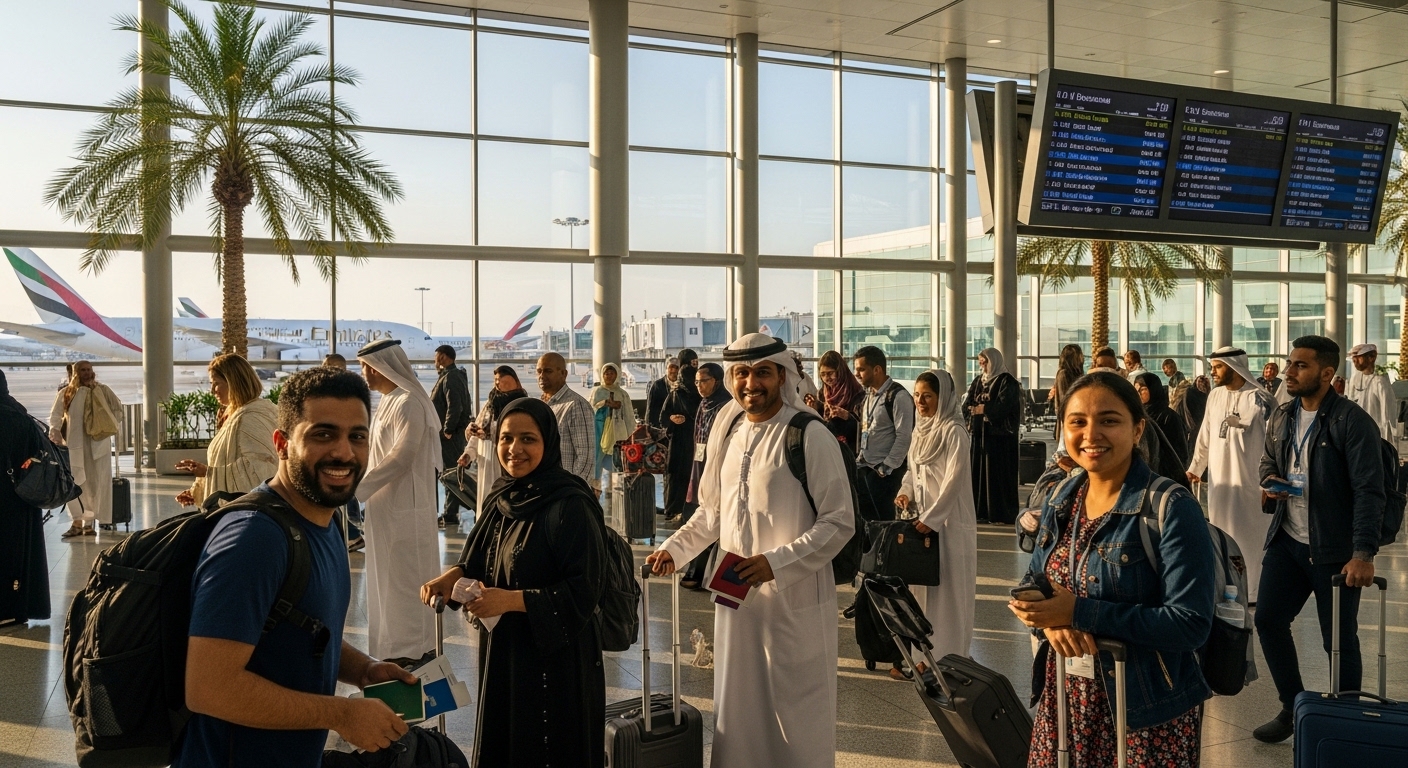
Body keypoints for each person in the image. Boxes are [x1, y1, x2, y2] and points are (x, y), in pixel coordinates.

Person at [175, 366, 418, 767]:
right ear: (281, 444)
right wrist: (340, 714)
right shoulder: (254, 539)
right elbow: (209, 688)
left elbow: (305, 631)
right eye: (323, 434)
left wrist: (365, 670)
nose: (343, 452)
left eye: (357, 436)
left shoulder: (323, 522)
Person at [647, 333, 855, 768]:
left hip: (792, 598)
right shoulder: (732, 430)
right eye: (741, 373)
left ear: (783, 375)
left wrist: (775, 564)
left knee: (795, 713)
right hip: (737, 601)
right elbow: (712, 513)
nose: (750, 383)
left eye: (762, 372)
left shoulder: (808, 433)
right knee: (739, 704)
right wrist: (674, 549)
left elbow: (839, 522)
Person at [1010, 371, 1214, 768]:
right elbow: (1032, 582)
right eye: (1078, 421)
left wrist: (1078, 612)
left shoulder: (1170, 508)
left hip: (1143, 712)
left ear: (1137, 429)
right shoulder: (1060, 498)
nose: (1091, 434)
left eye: (1109, 420)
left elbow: (1190, 624)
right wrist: (1047, 621)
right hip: (1065, 702)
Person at [420, 398, 606, 767]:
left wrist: (510, 601)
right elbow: (480, 558)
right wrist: (452, 576)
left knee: (548, 745)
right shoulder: (501, 495)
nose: (514, 450)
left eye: (528, 439)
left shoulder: (571, 504)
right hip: (506, 649)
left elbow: (585, 591)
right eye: (505, 438)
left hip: (557, 658)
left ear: (548, 443)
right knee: (507, 738)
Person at [1252, 335, 1385, 744]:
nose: (1290, 372)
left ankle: (1344, 720)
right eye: (1290, 364)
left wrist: (1362, 553)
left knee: (1338, 640)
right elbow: (1269, 460)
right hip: (1288, 539)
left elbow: (1369, 490)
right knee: (1268, 620)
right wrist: (1269, 481)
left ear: (1327, 374)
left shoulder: (1351, 421)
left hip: (1334, 549)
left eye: (1301, 366)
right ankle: (1293, 707)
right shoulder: (1283, 415)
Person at [354, 339, 441, 666]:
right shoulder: (388, 401)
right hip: (384, 508)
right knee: (386, 585)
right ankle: (391, 650)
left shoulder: (408, 402)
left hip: (406, 510)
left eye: (366, 367)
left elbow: (401, 456)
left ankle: (413, 652)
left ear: (383, 366)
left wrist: (357, 490)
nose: (364, 374)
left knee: (407, 585)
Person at [893, 369, 977, 675]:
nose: (920, 401)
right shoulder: (921, 430)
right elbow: (911, 471)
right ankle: (923, 657)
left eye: (927, 396)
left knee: (949, 593)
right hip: (922, 522)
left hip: (950, 523)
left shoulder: (954, 431)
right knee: (923, 591)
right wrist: (905, 494)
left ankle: (949, 657)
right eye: (917, 395)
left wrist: (933, 518)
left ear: (943, 398)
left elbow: (953, 481)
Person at [1186, 346, 1274, 602]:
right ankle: (1226, 588)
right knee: (1221, 535)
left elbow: (1276, 443)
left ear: (1234, 366)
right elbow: (1205, 435)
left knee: (1251, 538)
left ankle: (1254, 592)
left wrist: (1272, 480)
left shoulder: (1261, 398)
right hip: (1221, 484)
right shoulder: (1214, 396)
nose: (1212, 372)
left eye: (1218, 367)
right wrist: (1195, 468)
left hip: (1252, 484)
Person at [175, 354, 279, 509]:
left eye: (216, 383)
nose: (212, 390)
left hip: (249, 515)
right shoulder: (240, 415)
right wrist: (201, 487)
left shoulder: (251, 418)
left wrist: (210, 473)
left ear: (234, 383)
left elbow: (261, 470)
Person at [49, 360, 123, 538]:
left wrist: (105, 425)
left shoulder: (103, 391)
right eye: (83, 370)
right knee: (74, 483)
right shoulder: (67, 393)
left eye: (89, 369)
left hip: (99, 446)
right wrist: (55, 431)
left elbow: (118, 410)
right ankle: (76, 521)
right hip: (75, 445)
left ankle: (89, 524)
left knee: (95, 484)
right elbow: (56, 415)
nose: (87, 373)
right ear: (76, 373)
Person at [0, 370, 50, 626]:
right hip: (21, 497)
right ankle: (18, 608)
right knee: (19, 554)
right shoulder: (19, 413)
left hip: (4, 497)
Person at [681, 362, 730, 589]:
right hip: (699, 464)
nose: (699, 386)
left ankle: (703, 573)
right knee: (695, 511)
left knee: (714, 516)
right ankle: (695, 570)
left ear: (717, 381)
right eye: (697, 382)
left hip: (718, 466)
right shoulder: (704, 404)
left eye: (704, 381)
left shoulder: (726, 405)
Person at [852, 345, 915, 523]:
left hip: (885, 473)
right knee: (867, 522)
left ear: (877, 369)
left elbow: (904, 436)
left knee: (883, 523)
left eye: (861, 369)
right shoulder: (869, 395)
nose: (856, 374)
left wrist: (886, 468)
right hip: (866, 467)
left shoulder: (898, 396)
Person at [460, 365, 528, 522]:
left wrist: (491, 435)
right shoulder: (489, 405)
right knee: (487, 502)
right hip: (487, 461)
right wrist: (468, 453)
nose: (498, 383)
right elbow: (477, 433)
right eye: (496, 380)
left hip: (508, 461)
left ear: (514, 382)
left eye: (502, 380)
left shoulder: (522, 404)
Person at [964, 347, 1023, 525]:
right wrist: (974, 410)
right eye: (980, 362)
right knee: (979, 475)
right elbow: (968, 404)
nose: (982, 366)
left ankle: (1000, 513)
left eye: (985, 362)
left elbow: (1004, 407)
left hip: (1000, 440)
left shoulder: (1007, 382)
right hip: (980, 436)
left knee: (998, 476)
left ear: (994, 361)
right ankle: (981, 512)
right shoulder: (978, 381)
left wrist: (984, 409)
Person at [537, 352, 595, 486]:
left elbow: (585, 458)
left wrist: (572, 490)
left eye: (548, 371)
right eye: (539, 371)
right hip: (545, 486)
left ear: (563, 374)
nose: (541, 376)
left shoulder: (576, 406)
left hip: (565, 490)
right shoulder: (543, 406)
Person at [431, 345, 471, 527]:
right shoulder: (453, 376)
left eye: (437, 357)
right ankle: (450, 512)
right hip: (453, 433)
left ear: (445, 357)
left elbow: (454, 405)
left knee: (450, 472)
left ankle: (450, 513)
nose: (435, 360)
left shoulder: (451, 377)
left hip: (451, 435)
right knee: (450, 471)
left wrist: (448, 429)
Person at [1133, 372, 1190, 489]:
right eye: (1136, 389)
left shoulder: (1169, 416)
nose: (1138, 393)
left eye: (1143, 389)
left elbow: (1180, 451)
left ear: (1153, 390)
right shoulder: (1136, 415)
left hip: (1164, 477)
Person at [660, 359, 700, 521]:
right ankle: (684, 508)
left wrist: (671, 419)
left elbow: (663, 417)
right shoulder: (698, 395)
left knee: (676, 475)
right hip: (691, 441)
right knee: (688, 474)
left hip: (678, 442)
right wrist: (672, 418)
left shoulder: (675, 393)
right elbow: (663, 417)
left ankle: (673, 508)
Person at [591, 363, 635, 487]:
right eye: (606, 374)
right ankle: (595, 487)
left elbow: (629, 415)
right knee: (597, 458)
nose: (608, 376)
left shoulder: (622, 394)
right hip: (599, 429)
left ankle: (617, 487)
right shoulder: (597, 391)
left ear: (617, 375)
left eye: (611, 374)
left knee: (617, 458)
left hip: (618, 430)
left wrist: (632, 434)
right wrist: (603, 404)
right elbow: (590, 409)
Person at [814, 349, 865, 452]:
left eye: (830, 373)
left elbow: (864, 428)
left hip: (850, 450)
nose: (827, 378)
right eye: (823, 374)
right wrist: (815, 409)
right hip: (828, 447)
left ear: (840, 371)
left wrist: (847, 416)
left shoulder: (857, 393)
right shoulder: (822, 394)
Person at [1346, 343, 1396, 442]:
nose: (1355, 361)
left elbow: (1387, 411)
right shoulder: (1354, 379)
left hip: (1377, 430)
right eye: (1353, 358)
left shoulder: (1380, 381)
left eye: (1359, 358)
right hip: (1357, 430)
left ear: (1371, 358)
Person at [646, 357, 681, 430]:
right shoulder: (657, 385)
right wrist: (650, 428)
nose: (674, 370)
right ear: (666, 369)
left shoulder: (682, 386)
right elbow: (651, 409)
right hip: (660, 427)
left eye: (676, 368)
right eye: (671, 367)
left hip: (679, 428)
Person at [1052, 344, 1085, 418]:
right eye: (1079, 355)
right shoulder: (1064, 374)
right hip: (1069, 414)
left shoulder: (1075, 373)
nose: (1082, 358)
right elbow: (1065, 397)